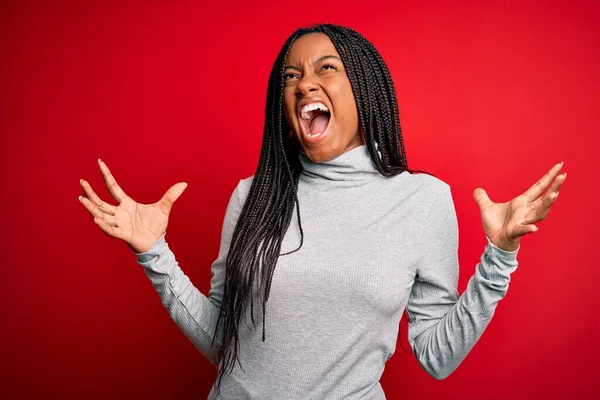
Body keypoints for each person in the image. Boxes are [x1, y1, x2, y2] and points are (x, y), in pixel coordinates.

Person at [78, 24, 566, 399]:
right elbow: (226, 345)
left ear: (364, 89)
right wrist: (155, 255)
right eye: (291, 76)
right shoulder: (253, 197)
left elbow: (435, 356)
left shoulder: (423, 201)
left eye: (325, 69)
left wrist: (499, 255)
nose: (304, 84)